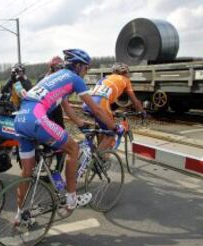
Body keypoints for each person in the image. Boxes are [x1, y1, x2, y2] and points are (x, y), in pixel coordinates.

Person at [14, 49, 125, 220]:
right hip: (36, 118)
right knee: (73, 148)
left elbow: (66, 106)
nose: (86, 71)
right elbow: (96, 109)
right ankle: (71, 199)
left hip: (21, 119)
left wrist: (80, 124)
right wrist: (114, 127)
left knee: (27, 172)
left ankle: (19, 214)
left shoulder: (54, 77)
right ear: (78, 66)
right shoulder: (74, 79)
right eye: (86, 68)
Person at [83, 62, 145, 151]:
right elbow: (134, 101)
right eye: (128, 73)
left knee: (104, 129)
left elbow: (101, 95)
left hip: (88, 104)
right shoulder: (125, 80)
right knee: (111, 133)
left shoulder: (104, 78)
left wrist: (111, 112)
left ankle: (99, 157)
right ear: (125, 73)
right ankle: (98, 158)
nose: (128, 75)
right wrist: (142, 111)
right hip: (101, 106)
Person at [36, 56, 65, 172]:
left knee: (60, 142)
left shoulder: (59, 79)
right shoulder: (43, 79)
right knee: (50, 142)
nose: (61, 70)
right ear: (52, 68)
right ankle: (46, 165)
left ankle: (56, 171)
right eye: (59, 67)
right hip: (46, 113)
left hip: (55, 112)